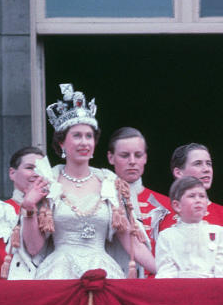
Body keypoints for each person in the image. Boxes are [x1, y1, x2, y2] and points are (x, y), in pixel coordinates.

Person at [22, 83, 155, 280]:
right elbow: (34, 248)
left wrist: (165, 272)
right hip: (58, 273)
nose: (84, 142)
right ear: (61, 143)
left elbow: (131, 243)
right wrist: (29, 207)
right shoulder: (48, 183)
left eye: (89, 136)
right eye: (77, 136)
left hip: (104, 272)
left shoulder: (110, 183)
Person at [169, 143, 223, 277]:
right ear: (178, 172)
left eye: (209, 163)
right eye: (198, 164)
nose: (206, 169)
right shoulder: (163, 215)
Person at [106, 127, 171, 262]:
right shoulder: (101, 201)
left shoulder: (166, 205)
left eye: (138, 155)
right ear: (110, 158)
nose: (132, 161)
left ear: (145, 158)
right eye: (124, 155)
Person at [0, 146, 45, 279]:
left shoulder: (51, 212)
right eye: (30, 168)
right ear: (12, 173)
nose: (36, 174)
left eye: (41, 169)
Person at [154, 176, 223, 279]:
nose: (198, 200)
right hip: (179, 290)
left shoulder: (218, 233)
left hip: (212, 290)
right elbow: (166, 274)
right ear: (177, 205)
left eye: (202, 196)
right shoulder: (167, 236)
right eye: (192, 196)